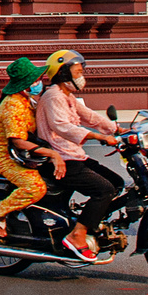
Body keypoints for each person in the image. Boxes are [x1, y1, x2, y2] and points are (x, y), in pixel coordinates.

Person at [35, 50, 122, 262]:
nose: (81, 76)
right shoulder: (53, 96)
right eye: (77, 72)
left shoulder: (68, 97)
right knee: (104, 190)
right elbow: (62, 127)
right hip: (60, 159)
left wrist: (116, 130)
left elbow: (89, 115)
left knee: (117, 183)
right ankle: (78, 234)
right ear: (64, 74)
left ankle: (89, 221)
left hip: (74, 155)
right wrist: (97, 136)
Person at [0, 57, 64, 239]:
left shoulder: (27, 101)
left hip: (25, 155)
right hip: (5, 158)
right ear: (26, 84)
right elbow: (18, 142)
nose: (39, 83)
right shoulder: (13, 106)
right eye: (36, 80)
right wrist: (52, 154)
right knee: (36, 188)